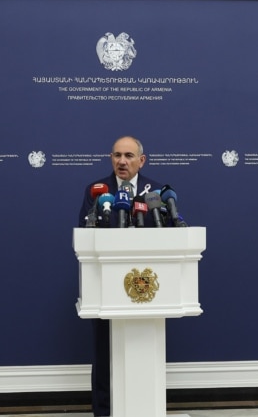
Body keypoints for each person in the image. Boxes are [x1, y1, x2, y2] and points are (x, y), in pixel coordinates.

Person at [77, 135, 163, 417]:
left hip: (146, 287)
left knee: (143, 348)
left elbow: (165, 236)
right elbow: (85, 235)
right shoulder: (96, 191)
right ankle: (103, 412)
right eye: (117, 155)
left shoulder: (155, 192)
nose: (122, 161)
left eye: (128, 156)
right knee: (104, 352)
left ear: (142, 160)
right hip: (106, 288)